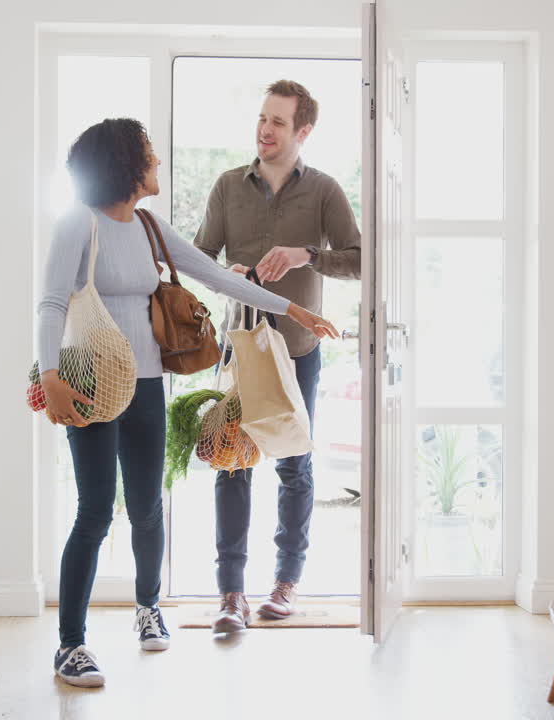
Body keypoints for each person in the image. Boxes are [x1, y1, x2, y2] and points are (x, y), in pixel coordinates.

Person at [36, 118, 338, 688]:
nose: (156, 163)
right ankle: (70, 644)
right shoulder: (79, 223)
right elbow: (51, 302)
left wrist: (293, 309)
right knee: (95, 511)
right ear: (124, 163)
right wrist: (50, 375)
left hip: (148, 385)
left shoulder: (148, 226)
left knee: (148, 506)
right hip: (90, 384)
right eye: (148, 154)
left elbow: (216, 277)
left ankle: (148, 609)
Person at [194, 80, 362, 632]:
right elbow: (198, 258)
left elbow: (361, 259)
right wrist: (228, 274)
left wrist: (306, 255)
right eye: (262, 119)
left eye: (278, 122)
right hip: (239, 349)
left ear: (303, 131)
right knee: (232, 464)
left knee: (294, 465)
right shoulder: (227, 186)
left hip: (298, 351)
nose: (265, 130)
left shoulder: (325, 191)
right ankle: (230, 595)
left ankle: (286, 583)